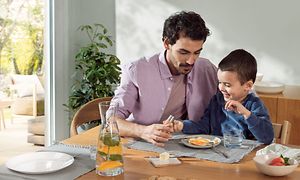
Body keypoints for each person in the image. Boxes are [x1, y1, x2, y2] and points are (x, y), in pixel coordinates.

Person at [108, 11, 218, 146]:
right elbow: (111, 122)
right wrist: (143, 131)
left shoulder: (206, 69)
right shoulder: (137, 69)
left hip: (186, 145)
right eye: (183, 52)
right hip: (138, 144)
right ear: (167, 43)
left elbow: (241, 95)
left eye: (197, 52)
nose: (191, 61)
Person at [168, 49, 274, 144]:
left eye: (227, 85)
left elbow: (267, 138)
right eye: (219, 82)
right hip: (217, 155)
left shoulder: (254, 105)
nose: (221, 88)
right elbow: (204, 127)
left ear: (248, 86)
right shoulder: (216, 101)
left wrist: (246, 113)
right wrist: (182, 125)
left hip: (244, 159)